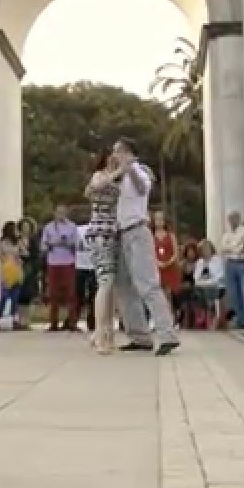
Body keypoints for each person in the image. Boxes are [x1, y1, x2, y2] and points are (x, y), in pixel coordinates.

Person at [110, 137, 179, 355]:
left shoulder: (139, 172)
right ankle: (139, 335)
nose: (114, 155)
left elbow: (142, 189)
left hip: (137, 231)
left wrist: (129, 168)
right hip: (120, 234)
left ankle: (167, 334)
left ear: (129, 153)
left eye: (118, 151)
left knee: (147, 284)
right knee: (123, 286)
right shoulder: (116, 177)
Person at [84, 150, 121, 354]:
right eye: (113, 155)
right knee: (105, 282)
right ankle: (99, 333)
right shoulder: (100, 176)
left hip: (113, 233)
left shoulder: (118, 180)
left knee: (110, 285)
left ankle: (108, 332)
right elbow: (96, 186)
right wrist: (118, 172)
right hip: (99, 232)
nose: (116, 158)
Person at [40, 204, 80, 332]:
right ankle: (53, 323)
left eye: (63, 212)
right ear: (55, 213)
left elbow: (78, 244)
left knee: (71, 294)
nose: (61, 214)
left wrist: (67, 243)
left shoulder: (72, 226)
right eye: (58, 212)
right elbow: (43, 246)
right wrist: (51, 244)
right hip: (53, 263)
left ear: (66, 213)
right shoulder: (48, 227)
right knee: (53, 294)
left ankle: (72, 323)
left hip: (68, 262)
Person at [219, 211, 244, 330]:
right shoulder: (226, 234)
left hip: (242, 263)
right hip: (230, 263)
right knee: (233, 294)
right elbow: (224, 248)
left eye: (235, 218)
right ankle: (240, 319)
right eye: (230, 219)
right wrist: (236, 248)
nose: (233, 221)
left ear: (239, 219)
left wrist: (234, 248)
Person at [67, 217, 97, 333]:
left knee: (80, 296)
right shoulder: (92, 229)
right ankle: (90, 322)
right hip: (87, 265)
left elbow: (71, 245)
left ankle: (74, 321)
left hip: (83, 265)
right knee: (91, 296)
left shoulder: (77, 229)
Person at [192, 239, 226, 330]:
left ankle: (210, 319)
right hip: (202, 285)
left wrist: (207, 282)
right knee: (196, 291)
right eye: (203, 249)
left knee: (208, 292)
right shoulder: (199, 262)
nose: (205, 251)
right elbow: (196, 277)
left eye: (207, 248)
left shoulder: (217, 260)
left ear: (211, 249)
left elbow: (219, 276)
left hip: (216, 286)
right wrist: (203, 282)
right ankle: (203, 317)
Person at [152, 210, 180, 314]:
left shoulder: (171, 235)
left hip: (169, 267)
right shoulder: (151, 236)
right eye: (157, 219)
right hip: (156, 268)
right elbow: (149, 253)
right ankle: (158, 318)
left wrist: (169, 262)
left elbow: (176, 252)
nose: (159, 221)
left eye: (161, 219)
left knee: (168, 294)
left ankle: (171, 317)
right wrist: (157, 262)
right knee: (158, 295)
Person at [14, 217, 39, 331]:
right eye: (23, 227)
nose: (25, 229)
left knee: (28, 295)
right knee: (19, 295)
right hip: (18, 268)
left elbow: (36, 255)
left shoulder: (34, 240)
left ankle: (27, 321)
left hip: (30, 268)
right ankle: (19, 320)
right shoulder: (16, 239)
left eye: (27, 227)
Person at [0, 222, 23, 324]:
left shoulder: (17, 242)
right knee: (4, 296)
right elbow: (0, 255)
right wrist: (8, 261)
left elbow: (24, 253)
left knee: (15, 298)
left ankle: (13, 319)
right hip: (6, 270)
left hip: (17, 269)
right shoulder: (1, 242)